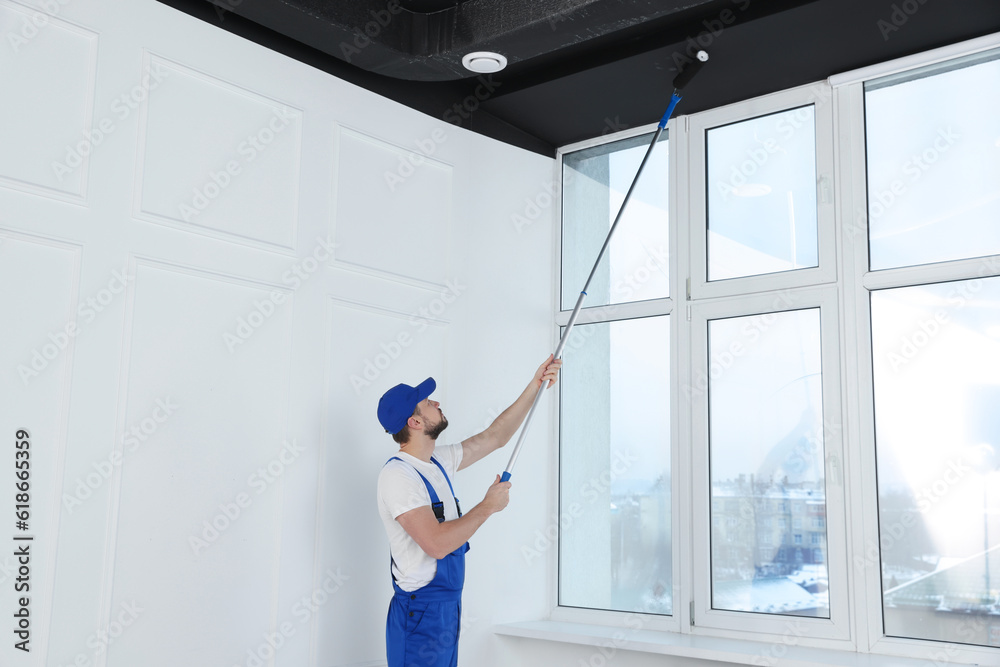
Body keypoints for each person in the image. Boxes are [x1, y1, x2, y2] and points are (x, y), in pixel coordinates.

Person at [376, 355, 562, 667]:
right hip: (419, 614)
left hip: (446, 609)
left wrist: (535, 384)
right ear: (415, 422)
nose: (436, 401)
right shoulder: (399, 476)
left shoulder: (437, 461)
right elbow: (435, 544)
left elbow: (496, 436)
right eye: (427, 402)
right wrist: (488, 506)